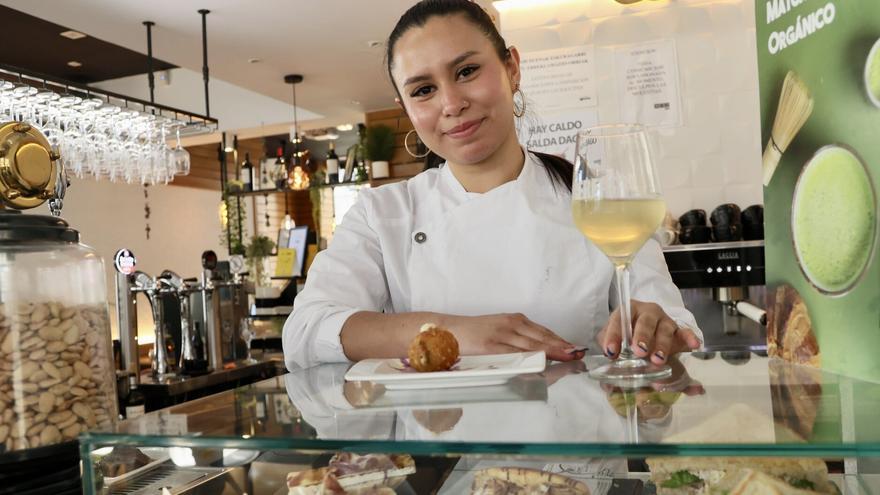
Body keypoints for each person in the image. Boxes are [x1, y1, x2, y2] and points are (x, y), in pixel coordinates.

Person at [283, 0, 702, 370]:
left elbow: (671, 322)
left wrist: (658, 330)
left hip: (579, 448)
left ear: (512, 68)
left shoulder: (598, 197)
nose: (451, 104)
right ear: (407, 110)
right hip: (442, 455)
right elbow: (305, 331)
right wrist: (449, 332)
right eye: (424, 89)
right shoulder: (382, 215)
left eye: (466, 71)